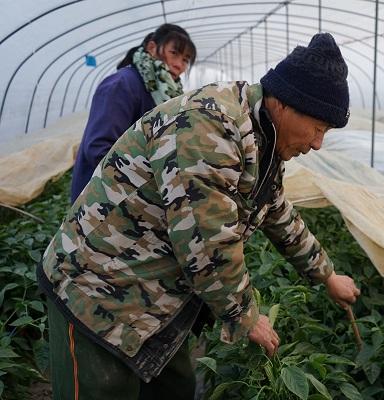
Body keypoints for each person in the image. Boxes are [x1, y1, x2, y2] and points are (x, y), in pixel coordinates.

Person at [38, 32, 360, 400]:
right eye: (318, 128)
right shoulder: (209, 124)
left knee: (176, 389)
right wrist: (246, 316)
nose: (318, 143)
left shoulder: (262, 137)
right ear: (286, 104)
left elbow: (277, 211)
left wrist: (327, 274)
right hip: (97, 289)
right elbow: (206, 241)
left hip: (154, 293)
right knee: (106, 391)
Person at [70, 23, 196, 203]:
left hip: (132, 197)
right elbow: (100, 149)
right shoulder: (122, 84)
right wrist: (155, 184)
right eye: (174, 53)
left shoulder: (164, 92)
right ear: (152, 47)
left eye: (185, 59)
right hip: (101, 202)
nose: (179, 65)